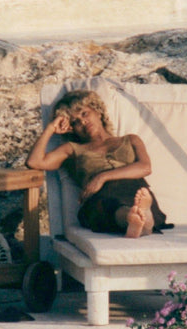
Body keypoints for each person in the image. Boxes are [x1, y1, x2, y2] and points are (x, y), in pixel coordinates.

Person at [26, 90, 167, 238]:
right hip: (100, 196)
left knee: (138, 198)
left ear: (98, 112)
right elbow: (34, 162)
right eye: (75, 122)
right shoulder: (72, 149)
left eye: (84, 114)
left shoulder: (131, 139)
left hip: (134, 189)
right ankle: (136, 219)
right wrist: (50, 128)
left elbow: (145, 167)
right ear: (72, 129)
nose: (82, 122)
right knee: (110, 206)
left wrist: (101, 177)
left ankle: (138, 217)